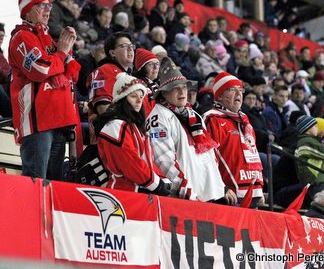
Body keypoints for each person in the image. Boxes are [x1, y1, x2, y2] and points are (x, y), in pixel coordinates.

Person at [9, 0, 80, 180]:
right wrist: (62, 53)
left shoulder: (48, 38)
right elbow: (40, 70)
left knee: (54, 184)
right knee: (35, 181)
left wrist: (68, 47)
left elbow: (72, 74)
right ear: (28, 10)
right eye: (42, 6)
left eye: (49, 6)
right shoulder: (21, 37)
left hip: (59, 119)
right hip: (37, 122)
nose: (48, 10)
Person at [147, 57, 235, 204]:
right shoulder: (158, 116)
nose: (182, 92)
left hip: (210, 195)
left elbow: (210, 157)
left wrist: (221, 186)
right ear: (163, 93)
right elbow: (164, 161)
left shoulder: (194, 115)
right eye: (175, 88)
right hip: (188, 199)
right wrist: (187, 193)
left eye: (184, 87)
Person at [94, 72, 171, 196]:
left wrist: (162, 180)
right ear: (122, 99)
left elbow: (146, 161)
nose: (139, 100)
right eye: (133, 96)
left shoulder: (135, 127)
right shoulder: (115, 126)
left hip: (141, 193)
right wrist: (157, 184)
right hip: (124, 194)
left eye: (141, 96)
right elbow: (130, 163)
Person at [203, 72, 264, 208]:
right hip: (229, 197)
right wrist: (221, 188)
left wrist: (259, 189)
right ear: (219, 95)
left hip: (251, 195)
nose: (238, 94)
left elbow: (253, 157)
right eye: (232, 90)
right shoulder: (211, 119)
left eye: (240, 90)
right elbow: (207, 159)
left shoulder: (245, 120)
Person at [88, 32, 135, 116]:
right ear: (112, 53)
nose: (130, 49)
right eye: (124, 46)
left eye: (131, 46)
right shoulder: (105, 71)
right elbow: (103, 109)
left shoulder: (129, 75)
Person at [294, 115, 324, 203]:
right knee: (321, 204)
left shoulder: (311, 140)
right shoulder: (306, 141)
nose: (317, 128)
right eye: (315, 126)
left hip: (318, 182)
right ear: (308, 129)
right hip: (314, 182)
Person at [132, 48, 160, 115]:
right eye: (151, 64)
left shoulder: (155, 83)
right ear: (142, 68)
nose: (156, 67)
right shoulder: (139, 86)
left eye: (157, 63)